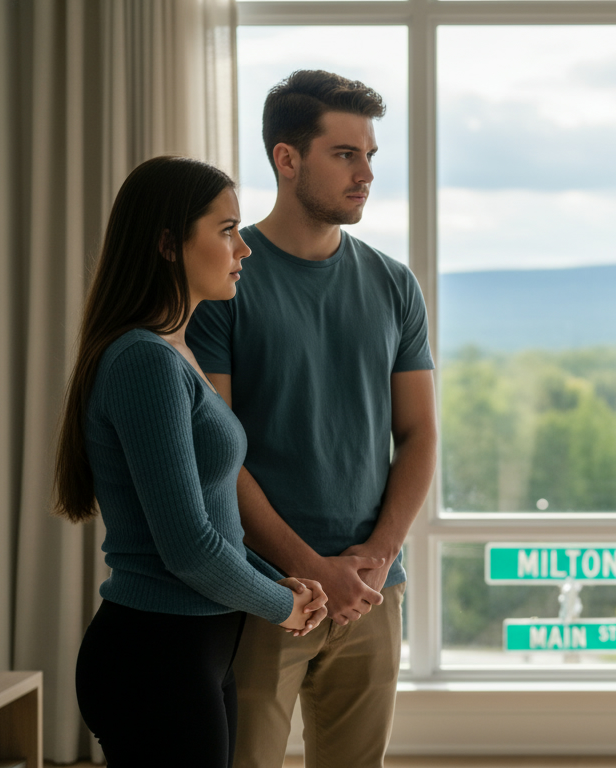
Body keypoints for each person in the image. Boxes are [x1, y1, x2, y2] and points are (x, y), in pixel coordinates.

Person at [186, 69, 437, 768]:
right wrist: (308, 568)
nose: (365, 175)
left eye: (370, 157)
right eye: (345, 154)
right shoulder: (224, 282)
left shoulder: (393, 284)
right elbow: (216, 453)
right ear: (287, 159)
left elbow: (418, 434)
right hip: (265, 591)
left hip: (370, 591)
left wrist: (376, 561)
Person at [54, 155, 337, 768]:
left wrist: (274, 580)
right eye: (226, 229)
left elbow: (214, 523)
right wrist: (282, 604)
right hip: (156, 657)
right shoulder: (144, 361)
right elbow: (187, 547)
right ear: (167, 244)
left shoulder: (173, 352)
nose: (245, 248)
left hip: (195, 652)